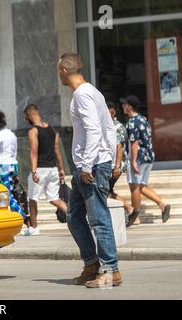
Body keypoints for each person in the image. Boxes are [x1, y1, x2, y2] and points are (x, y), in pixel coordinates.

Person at [58, 52, 122, 288]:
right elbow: (110, 129)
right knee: (74, 217)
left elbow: (95, 130)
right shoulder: (93, 92)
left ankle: (111, 269)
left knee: (98, 218)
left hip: (91, 165)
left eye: (59, 72)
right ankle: (92, 264)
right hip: (90, 164)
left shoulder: (83, 94)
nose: (60, 76)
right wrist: (112, 161)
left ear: (64, 71)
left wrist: (86, 164)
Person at [121, 95, 171, 227]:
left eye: (124, 104)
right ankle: (163, 205)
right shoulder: (143, 119)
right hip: (149, 157)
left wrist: (133, 161)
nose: (122, 107)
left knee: (134, 187)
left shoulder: (132, 122)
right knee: (142, 186)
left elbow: (134, 143)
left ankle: (134, 216)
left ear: (129, 107)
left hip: (139, 158)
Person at [22, 104, 68, 236]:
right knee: (54, 198)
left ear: (30, 114)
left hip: (40, 169)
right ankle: (75, 216)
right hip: (53, 169)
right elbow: (57, 151)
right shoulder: (52, 130)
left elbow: (33, 152)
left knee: (32, 199)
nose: (27, 120)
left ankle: (34, 228)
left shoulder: (33, 131)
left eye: (26, 117)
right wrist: (61, 169)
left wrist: (34, 171)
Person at [106, 101, 134, 216]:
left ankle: (130, 209)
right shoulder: (108, 126)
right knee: (107, 191)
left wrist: (117, 167)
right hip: (111, 165)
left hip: (116, 165)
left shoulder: (116, 127)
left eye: (111, 111)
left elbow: (119, 147)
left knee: (105, 191)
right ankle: (130, 211)